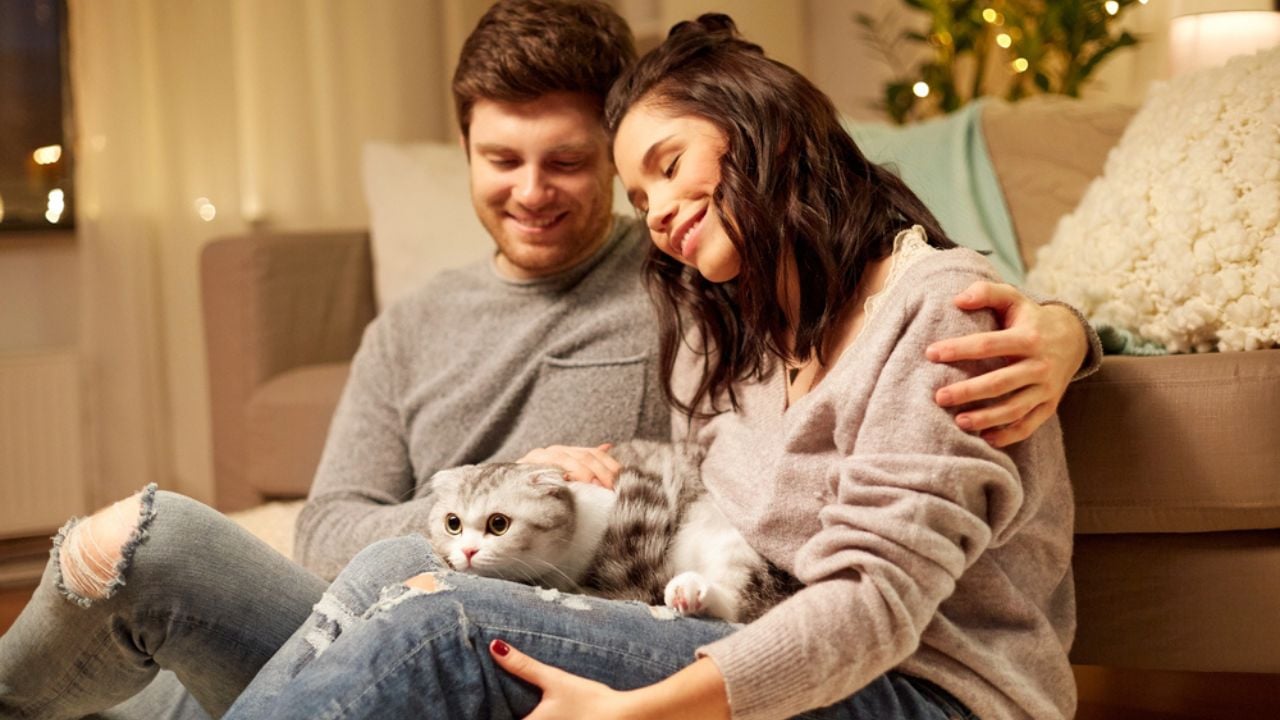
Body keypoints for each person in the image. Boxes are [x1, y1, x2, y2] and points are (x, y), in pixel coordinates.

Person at [0, 2, 1091, 718]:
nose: (658, 212)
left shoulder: (821, 305)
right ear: (464, 153)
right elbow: (332, 529)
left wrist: (1070, 332)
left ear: (758, 130)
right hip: (715, 624)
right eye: (646, 192)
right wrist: (491, 507)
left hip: (898, 681)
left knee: (435, 617)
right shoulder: (732, 330)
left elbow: (876, 583)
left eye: (643, 166)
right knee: (300, 565)